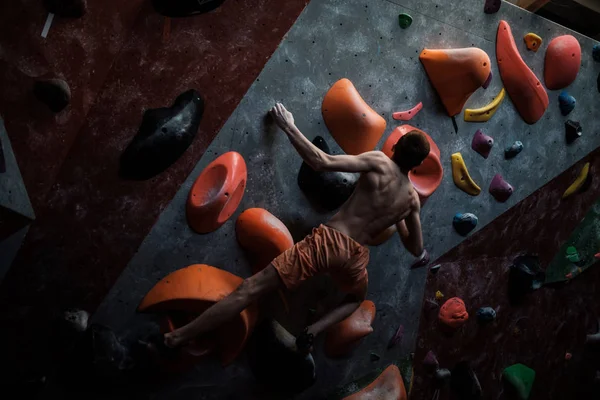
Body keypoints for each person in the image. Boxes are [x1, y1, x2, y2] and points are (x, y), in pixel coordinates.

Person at [163, 103, 429, 352]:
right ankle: (313, 330)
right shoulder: (410, 200)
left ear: (394, 148)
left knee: (250, 290)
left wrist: (288, 125)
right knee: (356, 298)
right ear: (416, 166)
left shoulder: (379, 162)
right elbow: (416, 248)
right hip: (354, 258)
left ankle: (176, 338)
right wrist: (396, 218)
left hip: (330, 243)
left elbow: (321, 162)